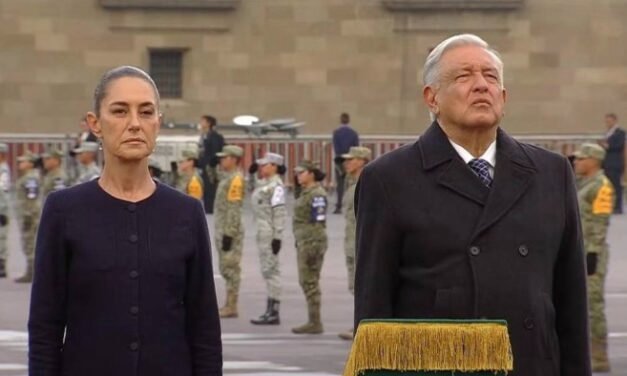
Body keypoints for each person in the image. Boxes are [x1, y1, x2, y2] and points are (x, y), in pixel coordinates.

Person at [354, 34, 591, 375]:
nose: (481, 85)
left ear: (504, 97)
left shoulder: (551, 173)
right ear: (431, 98)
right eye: (464, 76)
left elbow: (571, 302)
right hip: (442, 366)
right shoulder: (388, 179)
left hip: (531, 363)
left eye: (491, 77)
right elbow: (373, 308)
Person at [28, 65, 222, 376]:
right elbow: (45, 327)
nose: (134, 124)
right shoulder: (64, 210)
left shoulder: (186, 212)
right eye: (119, 111)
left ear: (158, 122)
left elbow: (204, 328)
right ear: (95, 123)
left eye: (146, 112)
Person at [573, 143, 615, 372]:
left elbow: (600, 222)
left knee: (593, 305)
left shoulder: (602, 186)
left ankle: (600, 356)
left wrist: (593, 254)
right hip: (581, 251)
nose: (577, 162)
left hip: (593, 254)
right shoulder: (584, 184)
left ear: (594, 161)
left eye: (581, 159)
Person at [337, 146, 371, 341]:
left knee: (362, 286)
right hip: (351, 242)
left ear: (361, 161)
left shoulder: (366, 182)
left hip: (361, 242)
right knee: (355, 286)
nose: (347, 163)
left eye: (351, 159)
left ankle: (362, 326)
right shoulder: (352, 183)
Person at [249, 152, 287, 325]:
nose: (261, 168)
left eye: (265, 165)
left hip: (270, 234)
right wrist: (251, 174)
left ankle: (274, 310)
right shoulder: (265, 184)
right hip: (262, 233)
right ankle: (269, 309)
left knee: (272, 271)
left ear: (274, 166)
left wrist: (277, 236)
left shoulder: (277, 187)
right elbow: (255, 191)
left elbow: (279, 212)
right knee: (267, 270)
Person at [291, 160, 328, 334]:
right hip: (304, 241)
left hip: (312, 242)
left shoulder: (317, 194)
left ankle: (315, 321)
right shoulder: (305, 193)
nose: (298, 176)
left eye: (302, 172)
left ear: (311, 173)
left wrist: (311, 245)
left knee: (310, 281)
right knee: (306, 280)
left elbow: (317, 221)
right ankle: (313, 320)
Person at [213, 145, 246, 318]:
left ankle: (232, 305)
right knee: (225, 267)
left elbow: (234, 208)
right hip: (222, 228)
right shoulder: (227, 177)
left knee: (231, 268)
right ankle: (228, 303)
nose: (221, 160)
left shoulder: (236, 179)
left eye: (225, 157)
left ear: (233, 159)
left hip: (229, 231)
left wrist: (229, 233)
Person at [15, 150, 41, 283]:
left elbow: (32, 198)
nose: (20, 163)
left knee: (30, 243)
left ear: (30, 164)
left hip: (29, 215)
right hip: (25, 214)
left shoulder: (30, 178)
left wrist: (28, 215)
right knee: (27, 243)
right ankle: (30, 270)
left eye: (23, 161)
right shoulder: (25, 177)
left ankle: (31, 272)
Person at [332, 113, 359, 214]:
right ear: (349, 120)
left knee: (340, 184)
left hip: (339, 160)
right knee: (351, 184)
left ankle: (338, 205)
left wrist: (341, 158)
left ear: (340, 120)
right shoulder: (353, 133)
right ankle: (351, 205)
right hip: (351, 160)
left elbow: (336, 148)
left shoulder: (336, 133)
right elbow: (356, 148)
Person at [199, 115, 225, 214]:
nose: (201, 123)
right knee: (206, 188)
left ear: (209, 123)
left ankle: (210, 209)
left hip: (211, 167)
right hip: (205, 166)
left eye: (203, 121)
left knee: (210, 188)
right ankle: (207, 208)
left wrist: (210, 163)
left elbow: (214, 152)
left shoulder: (214, 136)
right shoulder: (204, 136)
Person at [600, 113, 625, 214]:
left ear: (614, 120)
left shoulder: (620, 132)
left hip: (615, 163)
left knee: (616, 186)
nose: (607, 123)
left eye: (609, 121)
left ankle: (618, 207)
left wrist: (607, 146)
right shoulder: (608, 132)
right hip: (607, 163)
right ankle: (610, 205)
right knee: (608, 186)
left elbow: (618, 146)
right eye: (606, 121)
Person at [0, 143, 10, 278]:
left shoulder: (3, 170)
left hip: (1, 208)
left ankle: (1, 264)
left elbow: (2, 190)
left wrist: (2, 210)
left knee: (1, 236)